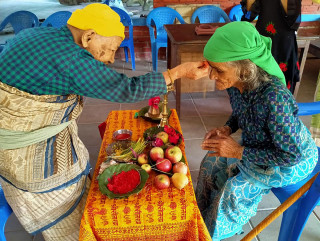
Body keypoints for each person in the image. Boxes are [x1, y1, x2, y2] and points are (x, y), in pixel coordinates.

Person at [0, 4, 209, 241]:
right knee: (66, 217)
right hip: (28, 154)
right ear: (88, 36)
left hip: (9, 140)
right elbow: (126, 89)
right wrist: (176, 72)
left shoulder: (37, 34)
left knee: (82, 170)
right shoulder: (72, 60)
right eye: (110, 49)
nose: (109, 59)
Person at [195, 21, 318, 241]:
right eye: (211, 67)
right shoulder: (237, 84)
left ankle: (210, 233)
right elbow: (241, 111)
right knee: (211, 161)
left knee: (233, 189)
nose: (212, 76)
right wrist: (228, 127)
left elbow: (291, 155)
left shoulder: (274, 98)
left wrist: (238, 152)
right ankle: (199, 215)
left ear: (244, 67)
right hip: (259, 145)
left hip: (289, 161)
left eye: (218, 69)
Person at [240, 0, 302, 93]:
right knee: (258, 76)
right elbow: (249, 16)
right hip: (263, 39)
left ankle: (279, 104)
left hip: (282, 42)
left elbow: (293, 20)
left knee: (280, 80)